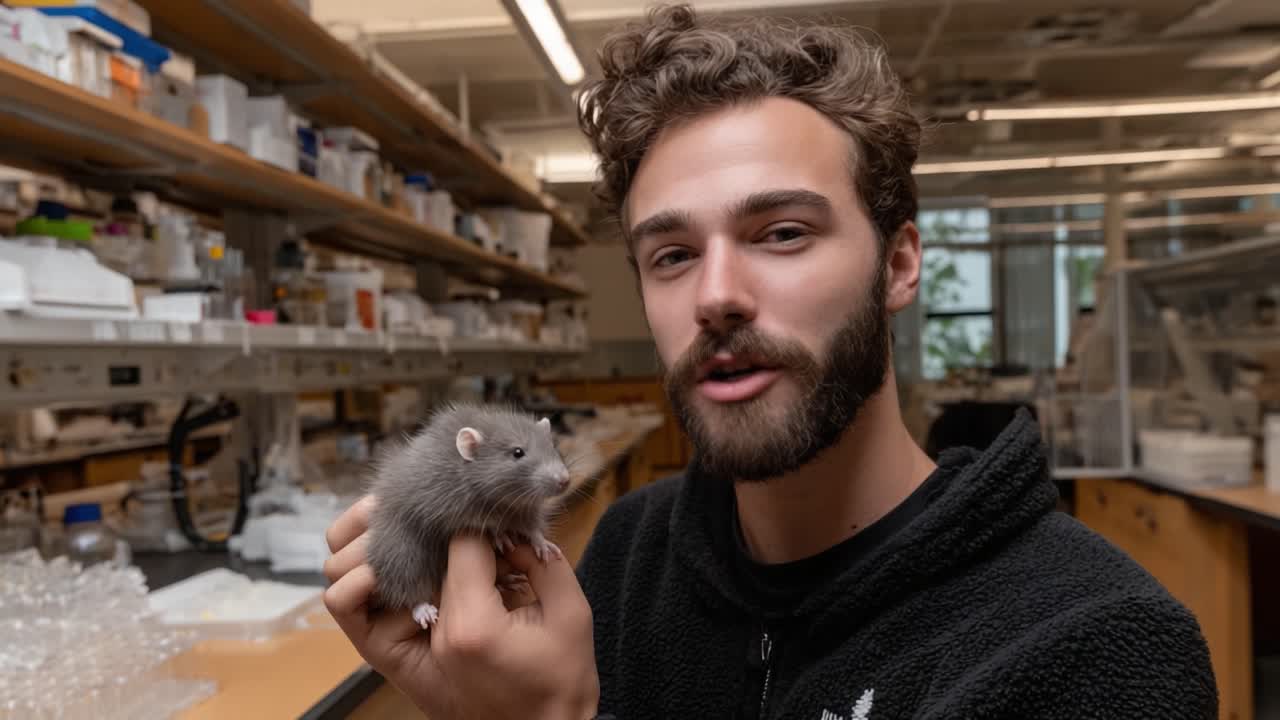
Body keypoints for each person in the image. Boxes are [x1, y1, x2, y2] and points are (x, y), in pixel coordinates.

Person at [322, 5, 1218, 718]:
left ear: (900, 263)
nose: (717, 294)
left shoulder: (1096, 645)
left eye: (782, 233)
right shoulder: (629, 557)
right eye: (671, 254)